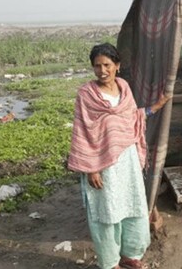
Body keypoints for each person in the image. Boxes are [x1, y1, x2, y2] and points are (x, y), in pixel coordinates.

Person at [68, 43, 170, 269]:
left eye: (107, 65)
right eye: (97, 66)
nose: (102, 71)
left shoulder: (124, 87)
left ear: (117, 66)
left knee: (132, 205)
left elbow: (132, 117)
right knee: (107, 211)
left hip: (127, 160)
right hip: (102, 164)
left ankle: (130, 255)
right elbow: (82, 131)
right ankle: (110, 261)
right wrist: (91, 169)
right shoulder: (86, 94)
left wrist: (156, 105)